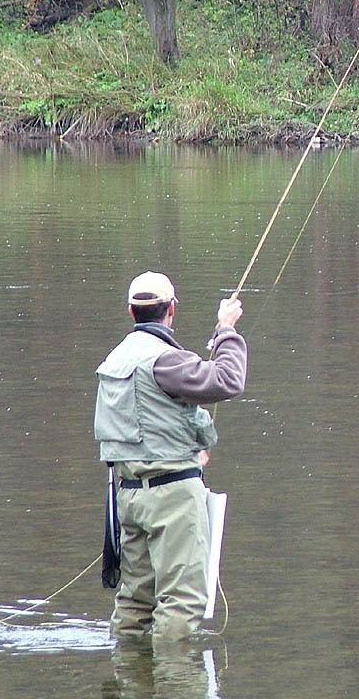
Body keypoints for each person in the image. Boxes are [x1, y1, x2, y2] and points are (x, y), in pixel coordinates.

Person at [94, 270, 246, 643]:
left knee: (133, 602)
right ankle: (177, 680)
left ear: (131, 312)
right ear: (171, 310)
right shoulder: (165, 361)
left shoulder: (114, 360)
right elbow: (228, 381)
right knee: (181, 602)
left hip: (128, 497)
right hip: (172, 498)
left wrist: (191, 448)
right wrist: (227, 330)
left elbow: (146, 421)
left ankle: (129, 673)